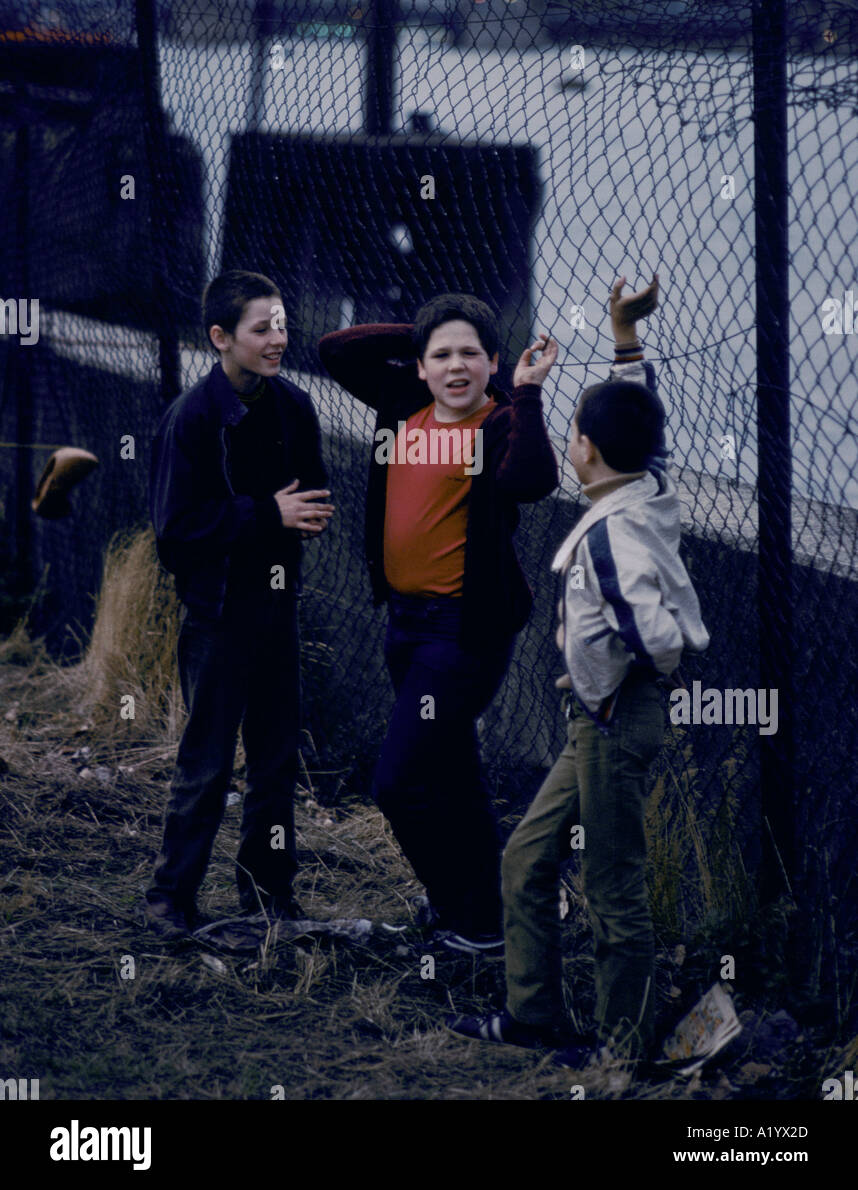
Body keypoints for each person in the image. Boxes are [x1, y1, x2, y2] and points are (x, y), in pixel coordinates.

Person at [448, 274, 709, 1067]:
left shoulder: (608, 538)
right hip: (593, 720)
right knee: (527, 856)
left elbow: (656, 637)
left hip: (609, 724)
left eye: (571, 431)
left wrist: (607, 686)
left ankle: (621, 1053)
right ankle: (534, 1019)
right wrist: (623, 335)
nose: (569, 439)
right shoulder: (650, 486)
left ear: (584, 449)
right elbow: (643, 421)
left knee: (614, 886)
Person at [319, 295, 559, 953]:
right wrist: (429, 335)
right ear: (420, 366)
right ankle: (486, 921)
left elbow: (535, 480)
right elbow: (335, 351)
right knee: (454, 772)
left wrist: (528, 393)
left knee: (397, 783)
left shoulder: (501, 424)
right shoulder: (402, 408)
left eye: (471, 354)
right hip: (404, 624)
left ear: (495, 363)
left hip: (462, 634)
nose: (457, 366)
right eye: (442, 356)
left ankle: (458, 909)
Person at [144, 271, 334, 939]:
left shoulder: (295, 407)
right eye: (262, 328)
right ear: (221, 338)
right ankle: (170, 899)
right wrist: (265, 514)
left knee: (277, 762)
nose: (278, 339)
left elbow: (310, 492)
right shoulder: (191, 419)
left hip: (276, 614)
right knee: (209, 763)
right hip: (218, 618)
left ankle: (267, 895)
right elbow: (174, 536)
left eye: (282, 324)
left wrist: (303, 515)